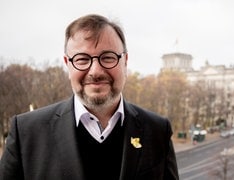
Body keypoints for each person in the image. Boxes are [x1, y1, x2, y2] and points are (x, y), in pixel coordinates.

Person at [0, 14, 179, 180]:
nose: (96, 71)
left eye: (108, 57)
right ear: (67, 64)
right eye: (82, 59)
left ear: (125, 61)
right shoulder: (26, 133)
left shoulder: (157, 131)